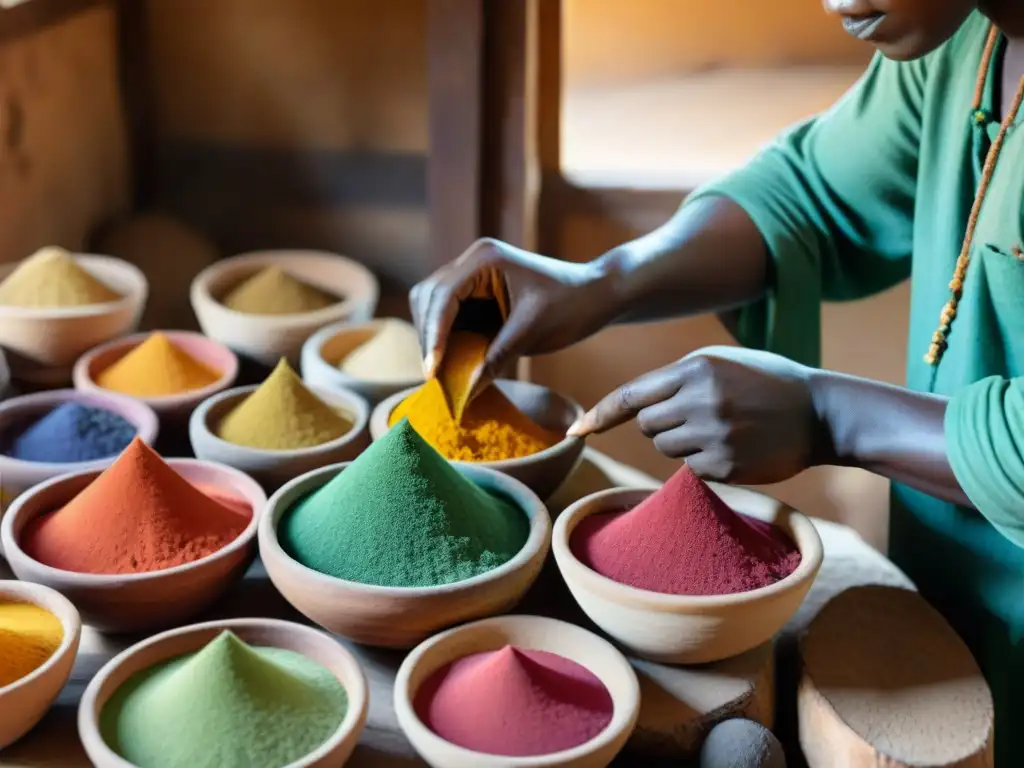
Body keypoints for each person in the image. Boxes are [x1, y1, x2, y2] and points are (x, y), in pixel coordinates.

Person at [411, 1, 1024, 762]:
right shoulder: (974, 42)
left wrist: (828, 414)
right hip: (950, 628)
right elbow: (808, 194)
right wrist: (602, 281)